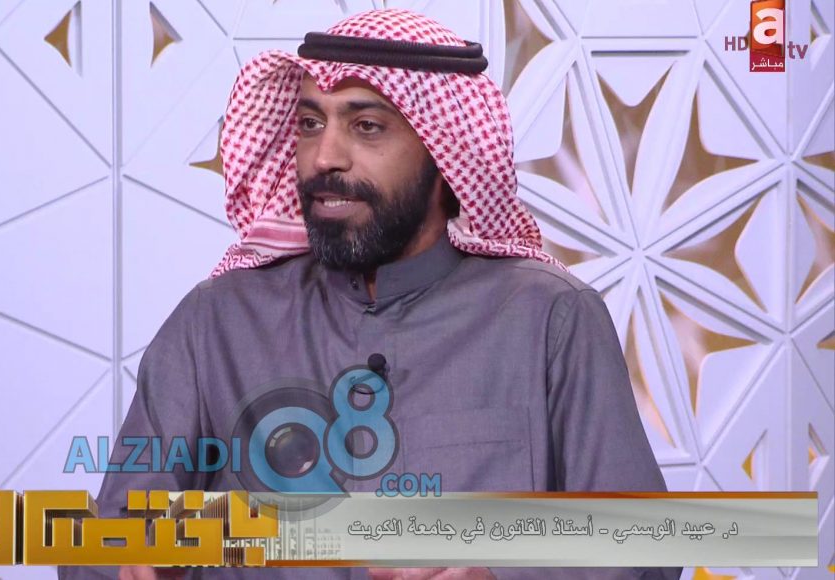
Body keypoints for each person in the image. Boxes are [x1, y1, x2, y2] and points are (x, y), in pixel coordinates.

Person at [60, 8, 678, 580]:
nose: (324, 157)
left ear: (445, 152)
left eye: (367, 126)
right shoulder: (217, 321)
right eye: (310, 124)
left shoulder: (549, 319)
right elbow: (108, 541)